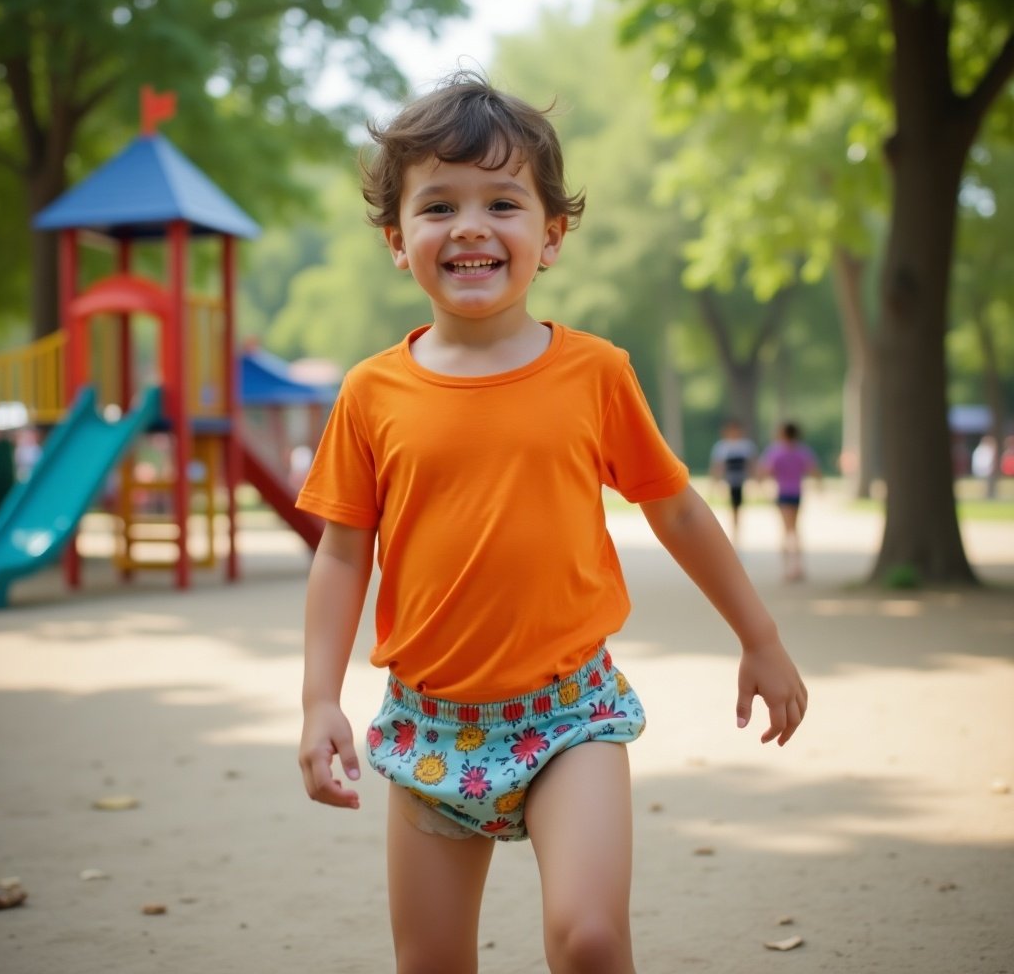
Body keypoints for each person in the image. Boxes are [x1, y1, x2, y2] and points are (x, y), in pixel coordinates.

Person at [296, 72, 807, 974]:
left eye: (504, 201)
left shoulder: (595, 374)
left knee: (591, 938)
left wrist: (759, 638)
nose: (470, 227)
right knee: (433, 964)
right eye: (437, 206)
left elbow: (677, 509)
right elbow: (343, 554)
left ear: (552, 235)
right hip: (430, 725)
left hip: (569, 714)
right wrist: (317, 701)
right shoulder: (371, 393)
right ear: (395, 239)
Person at [758, 421, 822, 582]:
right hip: (797, 493)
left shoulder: (776, 451)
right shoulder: (802, 451)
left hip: (784, 494)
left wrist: (763, 485)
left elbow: (766, 471)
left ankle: (787, 569)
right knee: (795, 530)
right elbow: (813, 469)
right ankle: (798, 566)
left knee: (786, 531)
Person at [709, 418, 757, 543]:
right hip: (729, 480)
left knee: (737, 506)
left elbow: (751, 464)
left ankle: (736, 531)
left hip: (740, 480)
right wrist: (715, 482)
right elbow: (718, 465)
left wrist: (755, 480)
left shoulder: (746, 446)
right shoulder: (722, 446)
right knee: (732, 507)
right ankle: (733, 530)